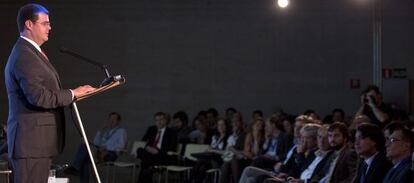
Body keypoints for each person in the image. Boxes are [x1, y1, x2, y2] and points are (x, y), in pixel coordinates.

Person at [4, 3, 95, 183]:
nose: (50, 27)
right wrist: (71, 93)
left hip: (36, 145)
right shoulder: (24, 54)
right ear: (29, 24)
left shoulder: (31, 52)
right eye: (45, 23)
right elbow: (38, 97)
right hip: (30, 145)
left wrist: (75, 95)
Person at [64, 112, 127, 183]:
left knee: (85, 156)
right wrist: (100, 130)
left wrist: (107, 147)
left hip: (110, 154)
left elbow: (121, 146)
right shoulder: (107, 132)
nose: (111, 121)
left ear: (118, 121)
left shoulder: (121, 131)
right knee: (84, 155)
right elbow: (96, 143)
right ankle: (78, 170)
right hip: (100, 152)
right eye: (110, 119)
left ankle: (75, 167)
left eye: (114, 119)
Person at [137, 112, 178, 183]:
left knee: (145, 166)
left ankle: (150, 165)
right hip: (150, 155)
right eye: (156, 120)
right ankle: (151, 165)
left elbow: (172, 148)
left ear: (165, 120)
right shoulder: (151, 129)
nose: (158, 122)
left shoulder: (171, 132)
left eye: (161, 119)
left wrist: (158, 151)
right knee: (139, 150)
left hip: (162, 155)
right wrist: (147, 147)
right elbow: (143, 142)